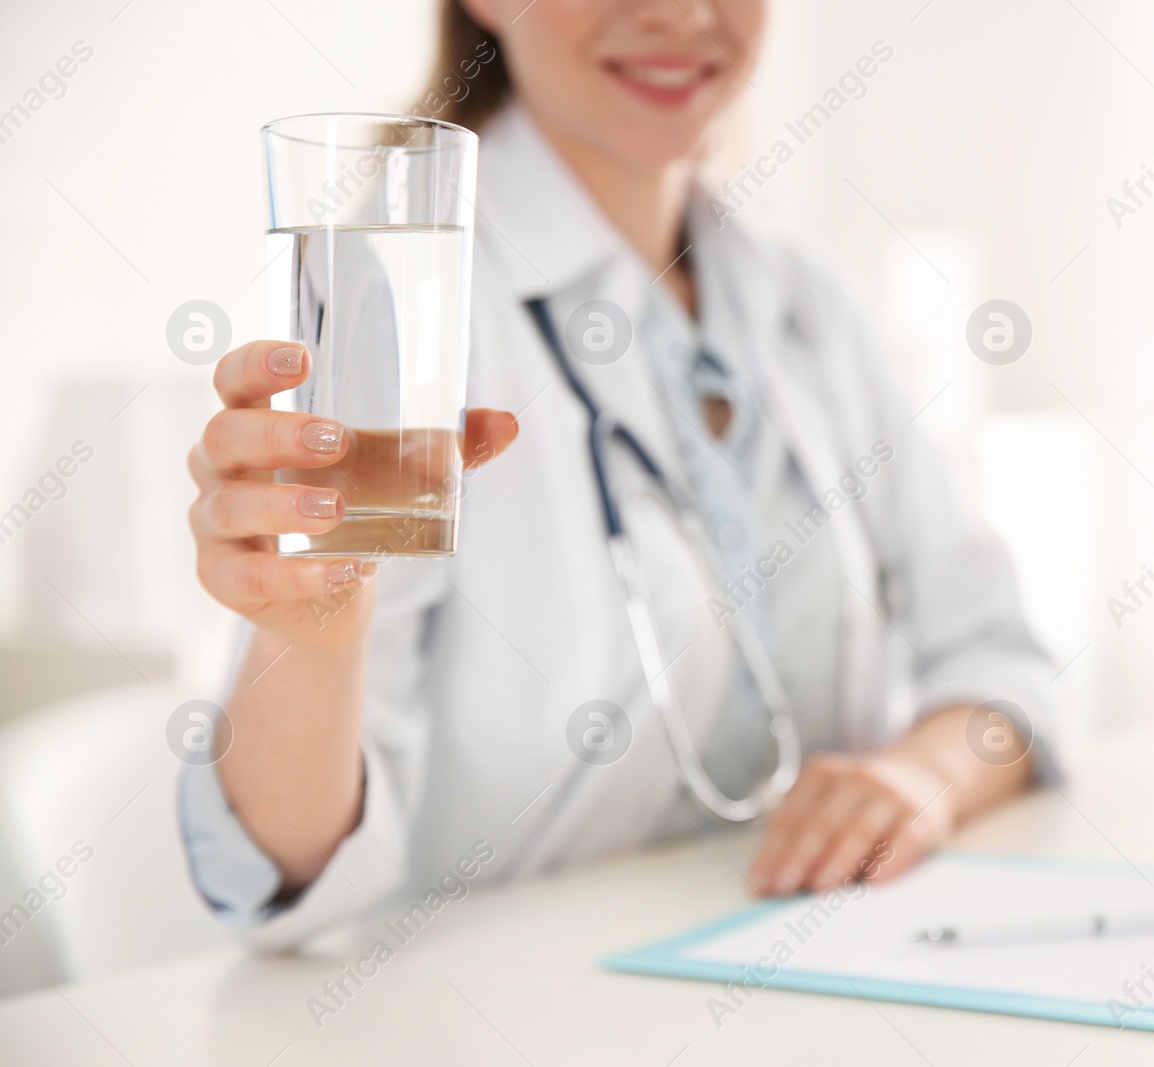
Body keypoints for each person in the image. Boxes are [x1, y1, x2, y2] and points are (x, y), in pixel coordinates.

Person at [181, 0, 1057, 947]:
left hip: (812, 963)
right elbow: (276, 878)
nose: (682, 14)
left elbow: (1005, 662)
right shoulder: (397, 300)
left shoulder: (809, 306)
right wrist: (311, 635)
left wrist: (927, 774)